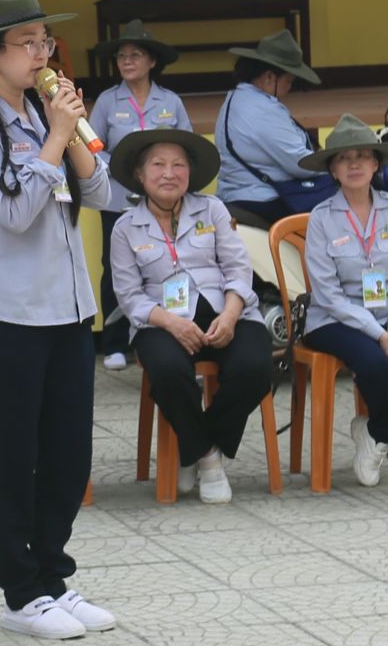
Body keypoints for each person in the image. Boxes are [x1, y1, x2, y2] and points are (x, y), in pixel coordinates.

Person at [0, 0, 117, 641]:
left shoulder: (46, 114)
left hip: (67, 308)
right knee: (14, 456)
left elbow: (100, 194)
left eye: (45, 40)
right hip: (6, 313)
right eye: (27, 42)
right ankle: (21, 593)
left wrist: (67, 132)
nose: (43, 53)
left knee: (68, 453)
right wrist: (55, 136)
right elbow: (14, 212)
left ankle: (54, 579)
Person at [108, 129, 272, 503]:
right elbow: (129, 297)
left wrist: (230, 315)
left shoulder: (212, 209)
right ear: (140, 174)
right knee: (167, 372)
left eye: (178, 165)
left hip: (225, 311)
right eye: (158, 165)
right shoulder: (125, 228)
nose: (169, 173)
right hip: (161, 321)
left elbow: (238, 269)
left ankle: (193, 443)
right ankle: (208, 458)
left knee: (256, 367)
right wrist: (171, 323)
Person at [301, 115, 388, 486]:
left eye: (363, 156)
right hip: (335, 319)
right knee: (376, 365)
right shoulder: (321, 218)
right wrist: (378, 333)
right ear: (332, 170)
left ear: (376, 164)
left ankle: (378, 432)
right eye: (344, 158)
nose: (354, 164)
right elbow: (328, 295)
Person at [89, 20, 192, 371]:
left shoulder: (170, 101)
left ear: (152, 61)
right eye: (121, 56)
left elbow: (187, 145)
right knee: (116, 268)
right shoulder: (107, 101)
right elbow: (92, 147)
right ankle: (115, 342)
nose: (127, 61)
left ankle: (170, 332)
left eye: (135, 55)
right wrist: (121, 168)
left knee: (170, 263)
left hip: (166, 201)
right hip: (119, 199)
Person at [215, 30, 324, 223]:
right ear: (269, 77)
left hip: (237, 193)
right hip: (262, 197)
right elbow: (300, 164)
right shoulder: (264, 110)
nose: (289, 88)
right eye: (288, 81)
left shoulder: (236, 98)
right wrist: (330, 164)